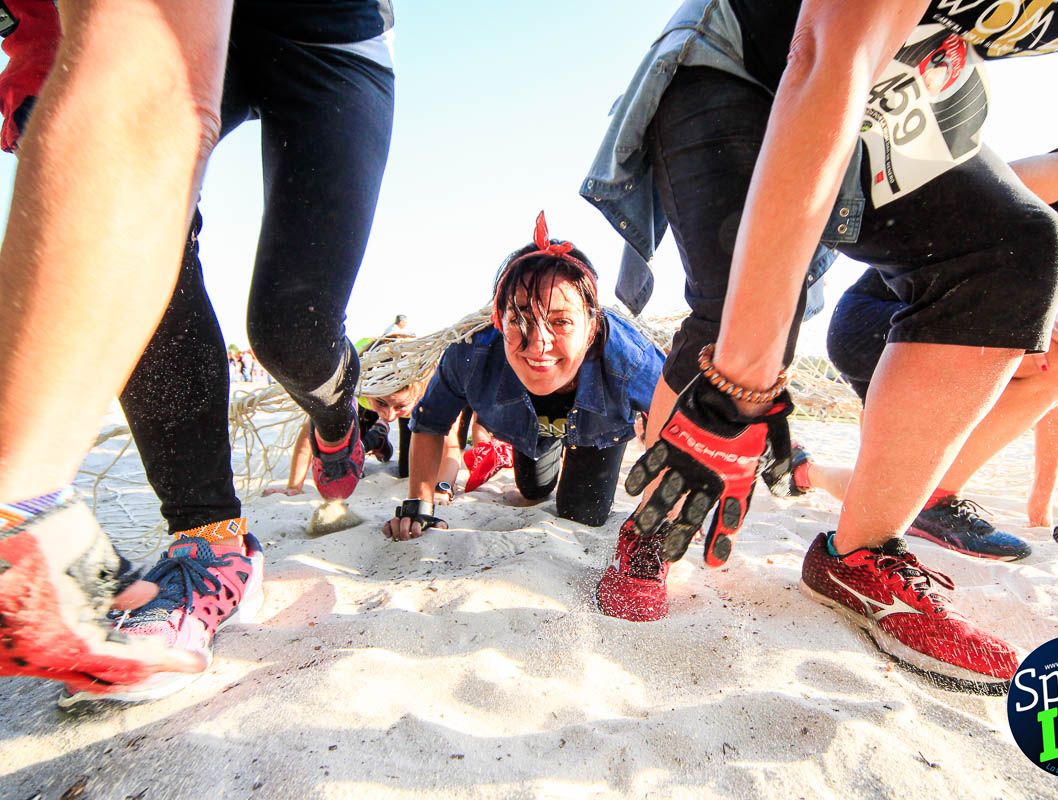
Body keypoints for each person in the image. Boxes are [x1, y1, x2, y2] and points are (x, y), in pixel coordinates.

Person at [582, 0, 1058, 692]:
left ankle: (859, 555)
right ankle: (654, 527)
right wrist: (740, 379)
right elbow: (822, 57)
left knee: (1020, 248)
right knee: (735, 303)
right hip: (756, 55)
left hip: (892, 97)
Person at [0, 0, 395, 702]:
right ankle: (210, 541)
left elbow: (145, 99)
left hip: (328, 34)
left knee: (290, 331)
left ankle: (337, 418)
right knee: (118, 187)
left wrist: (18, 489)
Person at [777, 105, 1058, 562]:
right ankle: (936, 500)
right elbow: (979, 208)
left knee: (890, 489)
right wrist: (1034, 312)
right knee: (913, 486)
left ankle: (806, 471)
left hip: (961, 344)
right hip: (889, 313)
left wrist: (1042, 499)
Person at [382, 213, 664, 540]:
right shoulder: (471, 355)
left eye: (561, 322)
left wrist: (663, 510)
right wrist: (419, 504)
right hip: (529, 431)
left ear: (591, 329)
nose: (539, 342)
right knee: (533, 488)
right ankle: (517, 455)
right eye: (520, 319)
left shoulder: (631, 360)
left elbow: (677, 422)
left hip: (599, 432)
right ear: (499, 322)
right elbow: (430, 423)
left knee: (583, 514)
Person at [265, 385, 466, 502]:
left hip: (409, 400)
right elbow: (311, 435)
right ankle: (377, 431)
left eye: (399, 406)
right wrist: (294, 486)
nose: (390, 414)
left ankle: (379, 435)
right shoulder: (352, 382)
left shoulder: (431, 391)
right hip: (365, 396)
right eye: (383, 404)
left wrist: (442, 487)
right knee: (343, 450)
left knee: (407, 470)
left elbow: (452, 448)